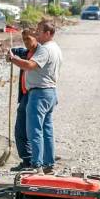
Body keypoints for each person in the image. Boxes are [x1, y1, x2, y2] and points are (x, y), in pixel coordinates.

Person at [11, 19, 61, 173]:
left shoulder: (45, 50)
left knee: (35, 130)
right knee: (46, 130)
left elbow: (30, 65)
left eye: (39, 31)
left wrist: (13, 59)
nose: (37, 33)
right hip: (50, 92)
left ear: (48, 33)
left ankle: (36, 164)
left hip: (39, 93)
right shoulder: (55, 48)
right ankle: (48, 164)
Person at [11, 28, 38, 171]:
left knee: (29, 130)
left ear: (36, 37)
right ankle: (28, 160)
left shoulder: (39, 53)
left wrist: (14, 58)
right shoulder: (25, 52)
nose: (26, 43)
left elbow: (28, 64)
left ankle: (34, 161)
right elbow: (17, 51)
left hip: (34, 94)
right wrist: (11, 53)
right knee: (20, 130)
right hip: (25, 95)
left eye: (28, 39)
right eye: (24, 40)